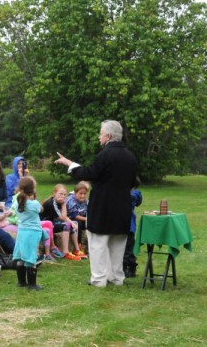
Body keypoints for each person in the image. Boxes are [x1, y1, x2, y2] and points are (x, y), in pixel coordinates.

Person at [55, 120, 139, 288]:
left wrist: (69, 164)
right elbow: (133, 181)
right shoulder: (130, 157)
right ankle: (116, 278)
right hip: (122, 207)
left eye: (100, 133)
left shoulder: (104, 155)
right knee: (117, 245)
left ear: (108, 136)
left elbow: (89, 173)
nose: (99, 137)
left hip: (103, 208)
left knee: (98, 245)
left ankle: (99, 279)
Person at [12, 177, 48, 291]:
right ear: (32, 189)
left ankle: (21, 282)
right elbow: (41, 209)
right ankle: (32, 285)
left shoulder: (17, 203)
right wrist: (34, 198)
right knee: (31, 257)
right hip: (32, 232)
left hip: (21, 232)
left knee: (21, 257)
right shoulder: (34, 204)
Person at [39, 184, 84, 261]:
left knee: (71, 225)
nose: (62, 196)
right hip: (45, 225)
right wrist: (63, 204)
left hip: (52, 223)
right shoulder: (51, 203)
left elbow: (64, 216)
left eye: (64, 195)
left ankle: (76, 250)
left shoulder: (58, 202)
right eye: (60, 194)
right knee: (66, 225)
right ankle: (65, 252)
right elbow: (62, 218)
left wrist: (72, 222)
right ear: (54, 193)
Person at [123, 177, 143, 278]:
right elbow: (139, 202)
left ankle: (127, 268)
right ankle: (130, 268)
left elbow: (135, 198)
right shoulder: (135, 194)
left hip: (127, 225)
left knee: (128, 249)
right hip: (129, 226)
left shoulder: (132, 194)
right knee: (128, 248)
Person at [66, 181, 91, 253]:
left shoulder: (85, 201)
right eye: (80, 193)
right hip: (70, 219)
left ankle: (90, 246)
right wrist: (87, 219)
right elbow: (75, 215)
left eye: (84, 194)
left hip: (82, 217)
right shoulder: (71, 200)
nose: (83, 196)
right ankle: (79, 245)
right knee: (78, 223)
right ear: (75, 192)